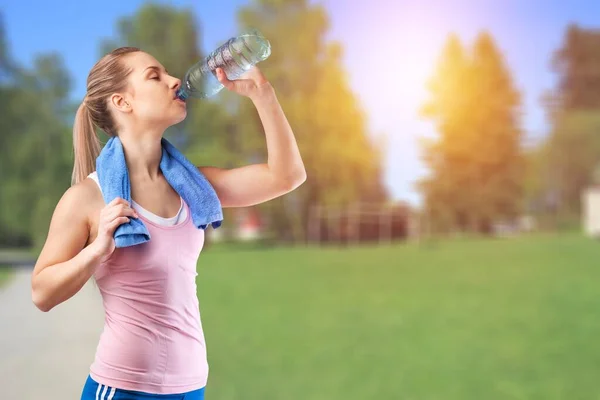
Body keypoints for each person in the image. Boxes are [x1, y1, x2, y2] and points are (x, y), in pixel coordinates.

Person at [30, 46, 306, 400]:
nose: (175, 80)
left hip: (190, 386)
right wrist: (97, 250)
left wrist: (263, 96)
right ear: (122, 102)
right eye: (154, 76)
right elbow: (41, 293)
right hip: (123, 389)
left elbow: (286, 177)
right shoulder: (88, 198)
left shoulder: (194, 188)